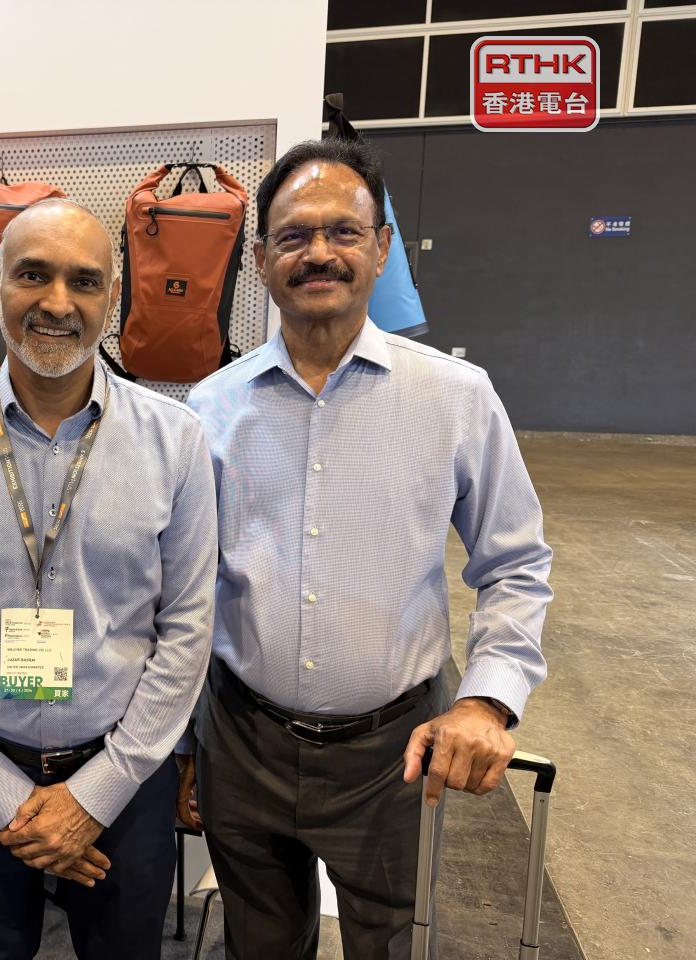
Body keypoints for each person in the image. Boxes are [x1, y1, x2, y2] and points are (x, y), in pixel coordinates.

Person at [181, 139, 553, 959]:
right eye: (294, 235)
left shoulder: (456, 399)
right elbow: (186, 593)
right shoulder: (208, 411)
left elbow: (517, 564)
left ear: (381, 247)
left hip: (396, 757)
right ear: (260, 259)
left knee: (389, 944)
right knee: (259, 944)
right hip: (241, 744)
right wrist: (184, 746)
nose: (319, 253)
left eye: (344, 232)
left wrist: (488, 699)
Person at [0, 198, 216, 960]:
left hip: (124, 777)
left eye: (85, 281)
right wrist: (4, 795)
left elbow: (188, 629)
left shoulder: (177, 442)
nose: (58, 303)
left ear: (112, 299)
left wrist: (93, 796)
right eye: (33, 275)